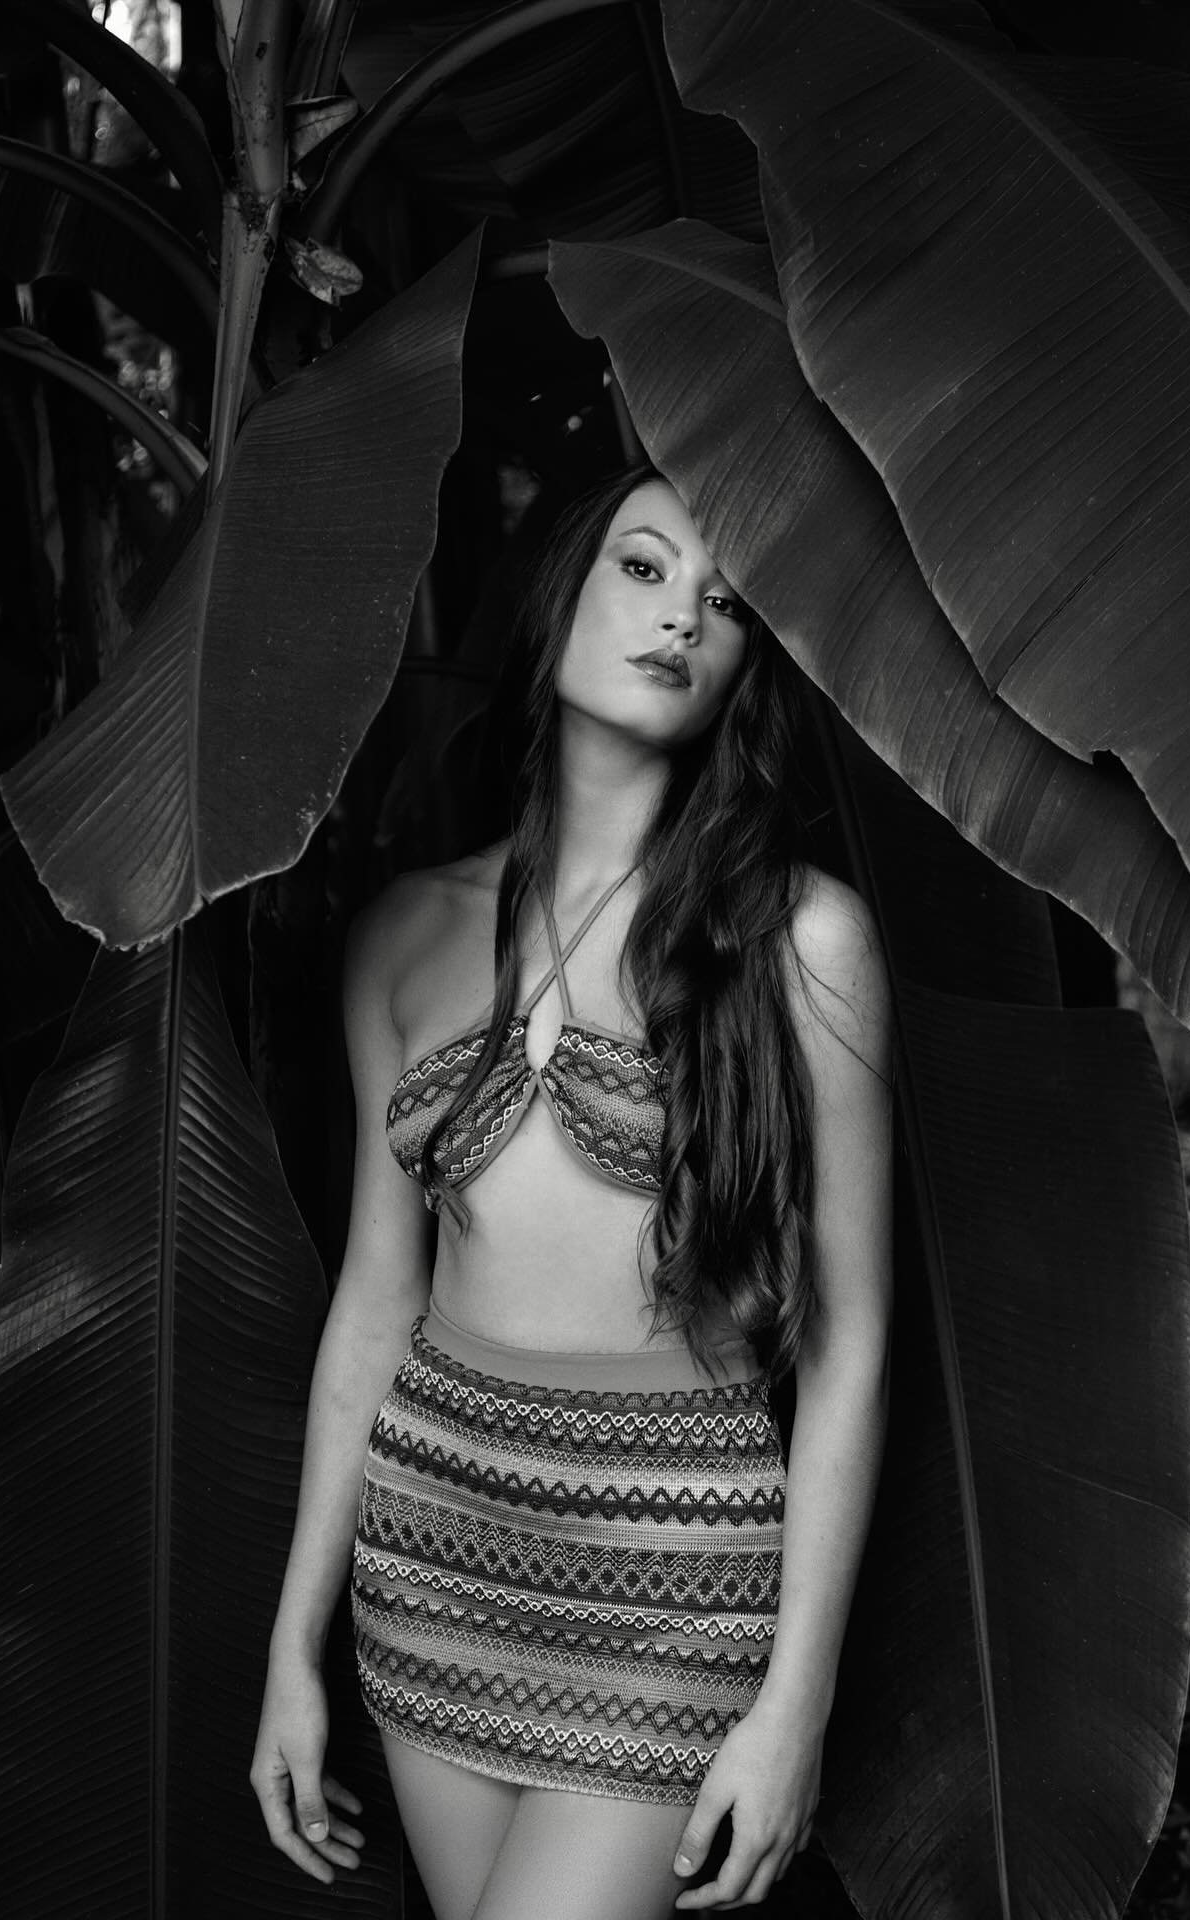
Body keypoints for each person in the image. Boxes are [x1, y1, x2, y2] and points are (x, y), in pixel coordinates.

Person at [250, 466, 894, 1919]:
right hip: (431, 1559)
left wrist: (795, 1703)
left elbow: (851, 1340)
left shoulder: (803, 942)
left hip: (671, 1579)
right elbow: (374, 1307)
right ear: (559, 600)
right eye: (644, 569)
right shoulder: (403, 935)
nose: (683, 619)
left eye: (726, 603)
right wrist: (293, 1649)